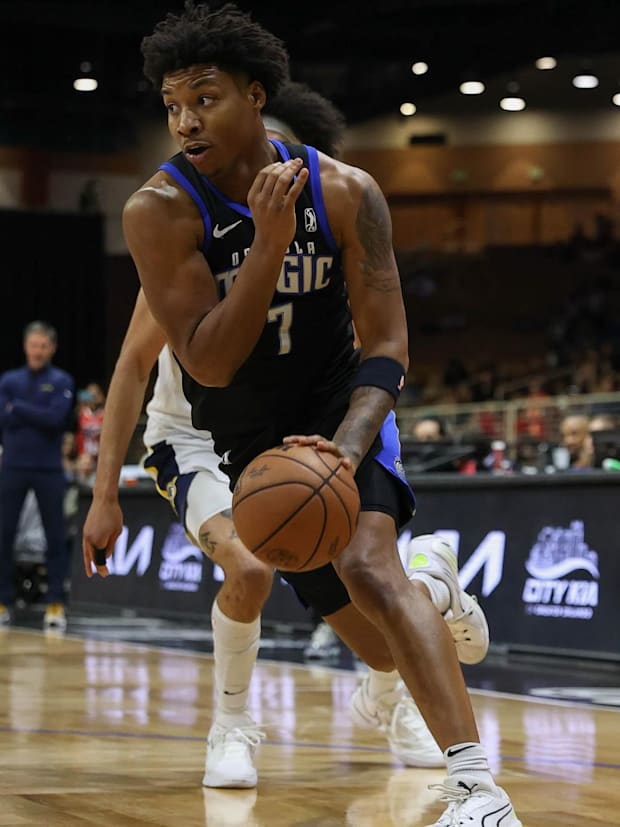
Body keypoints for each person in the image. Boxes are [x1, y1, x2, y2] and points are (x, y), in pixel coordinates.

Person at [122, 6, 520, 824]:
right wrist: (266, 246)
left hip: (342, 407)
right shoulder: (157, 212)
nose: (185, 120)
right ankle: (436, 587)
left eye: (205, 97)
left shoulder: (345, 191)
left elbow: (390, 343)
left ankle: (479, 790)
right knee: (378, 645)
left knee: (371, 562)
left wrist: (344, 447)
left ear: (257, 95)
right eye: (172, 104)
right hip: (249, 435)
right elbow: (208, 361)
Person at [0, 321, 74, 630]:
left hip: (48, 468)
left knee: (55, 537)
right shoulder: (9, 380)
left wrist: (19, 410)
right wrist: (35, 413)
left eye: (44, 345)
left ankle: (55, 602)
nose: (38, 350)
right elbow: (3, 417)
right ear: (26, 346)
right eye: (34, 345)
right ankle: (3, 600)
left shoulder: (61, 380)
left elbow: (57, 419)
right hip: (13, 466)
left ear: (52, 348)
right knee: (4, 535)